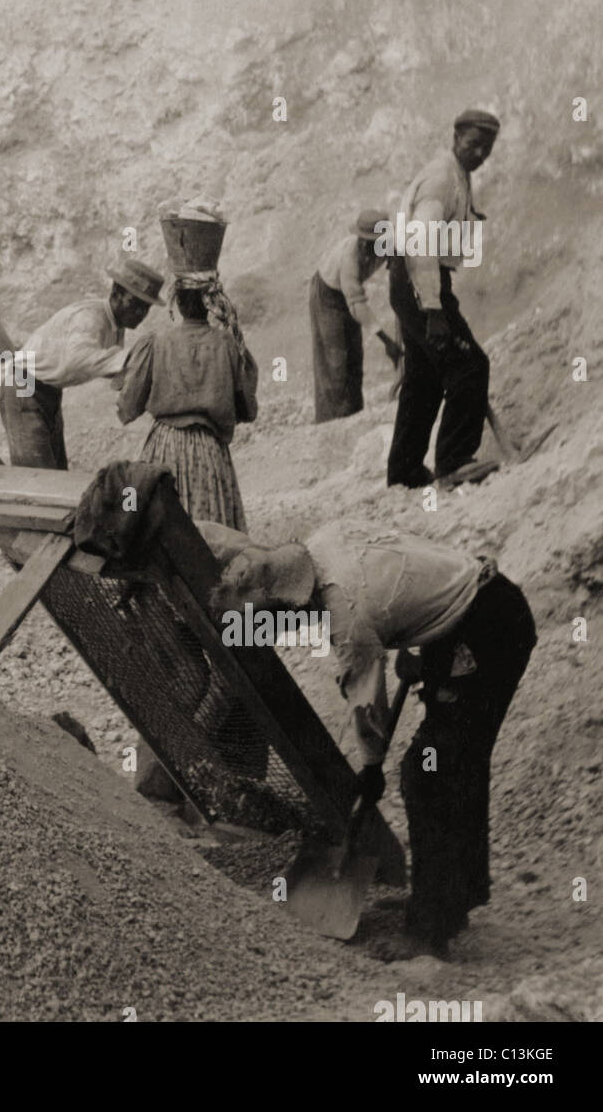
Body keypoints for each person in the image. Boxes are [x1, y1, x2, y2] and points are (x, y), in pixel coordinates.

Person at [203, 519, 537, 959]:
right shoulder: (324, 541)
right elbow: (403, 567)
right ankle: (451, 898)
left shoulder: (349, 616)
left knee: (429, 774)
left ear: (287, 606)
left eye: (273, 623)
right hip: (467, 610)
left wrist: (371, 766)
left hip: (490, 631)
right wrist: (417, 638)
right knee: (456, 763)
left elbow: (367, 703)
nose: (279, 633)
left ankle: (428, 930)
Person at [387, 110, 498, 487]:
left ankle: (404, 472)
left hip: (419, 280)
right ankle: (453, 461)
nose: (480, 152)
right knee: (470, 366)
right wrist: (433, 310)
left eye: (487, 147)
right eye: (473, 144)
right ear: (455, 138)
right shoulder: (440, 178)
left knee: (425, 378)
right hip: (420, 279)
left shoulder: (459, 175)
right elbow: (420, 244)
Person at [117, 279, 258, 532]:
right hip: (209, 450)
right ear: (208, 303)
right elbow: (248, 410)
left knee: (159, 529)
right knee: (212, 532)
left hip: (164, 448)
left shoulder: (156, 342)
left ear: (178, 303)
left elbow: (128, 406)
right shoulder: (228, 344)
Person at [0, 259, 164, 469]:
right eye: (135, 304)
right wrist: (131, 359)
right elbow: (80, 359)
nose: (140, 313)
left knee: (56, 471)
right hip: (23, 387)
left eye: (146, 308)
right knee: (36, 476)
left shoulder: (115, 327)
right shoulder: (89, 318)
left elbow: (112, 372)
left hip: (48, 391)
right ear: (116, 294)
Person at [310, 209, 402, 422]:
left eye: (372, 241)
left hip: (350, 295)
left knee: (354, 356)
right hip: (328, 295)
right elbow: (357, 305)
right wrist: (386, 341)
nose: (365, 245)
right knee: (335, 359)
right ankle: (331, 421)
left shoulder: (389, 245)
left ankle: (353, 415)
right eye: (364, 240)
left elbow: (399, 264)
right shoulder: (349, 257)